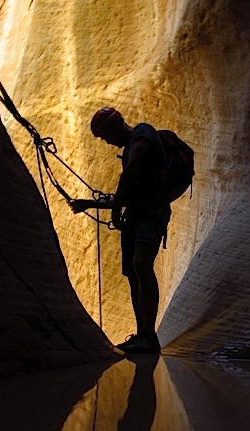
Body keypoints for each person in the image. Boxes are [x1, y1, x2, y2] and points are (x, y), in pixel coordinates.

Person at [70, 107, 171, 354]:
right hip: (137, 215)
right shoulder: (129, 149)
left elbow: (131, 171)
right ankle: (142, 335)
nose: (107, 142)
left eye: (105, 135)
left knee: (141, 264)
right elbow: (128, 193)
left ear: (116, 124)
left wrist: (115, 208)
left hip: (152, 212)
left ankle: (149, 335)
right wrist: (90, 204)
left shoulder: (142, 133)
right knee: (134, 274)